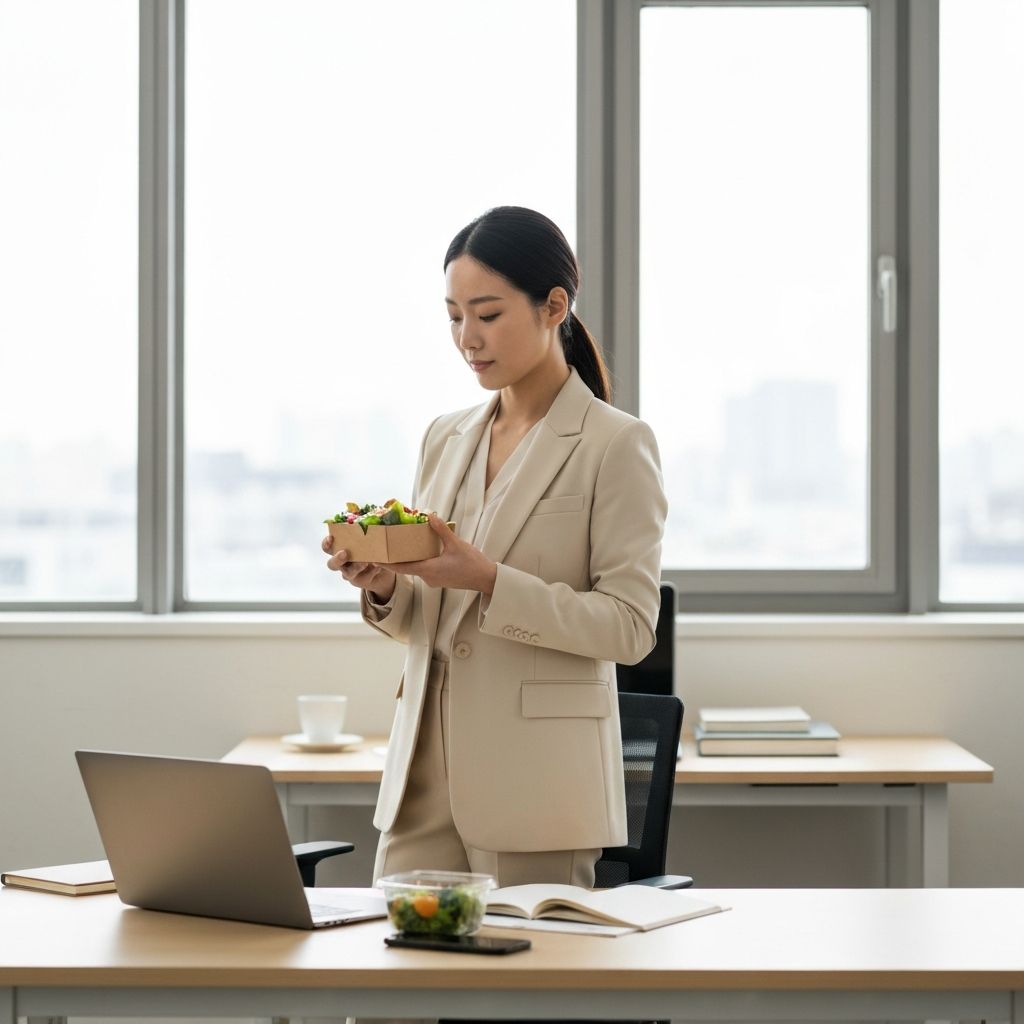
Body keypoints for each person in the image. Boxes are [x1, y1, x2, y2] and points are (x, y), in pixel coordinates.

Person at [322, 206, 667, 890]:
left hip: (535, 787)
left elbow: (630, 629)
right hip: (421, 775)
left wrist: (489, 579)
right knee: (392, 992)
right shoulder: (443, 438)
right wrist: (385, 586)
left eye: (487, 314)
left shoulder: (615, 444)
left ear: (553, 306)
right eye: (453, 316)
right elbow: (431, 616)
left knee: (523, 994)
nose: (466, 338)